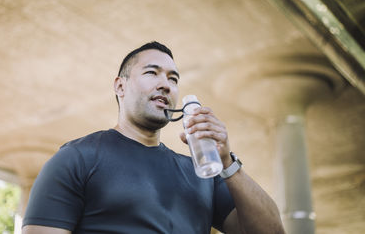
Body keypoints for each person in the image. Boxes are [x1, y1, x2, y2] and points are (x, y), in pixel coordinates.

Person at [22, 41, 285, 234]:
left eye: (173, 78)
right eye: (152, 72)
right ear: (120, 86)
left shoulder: (202, 174)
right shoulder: (77, 157)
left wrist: (228, 162)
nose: (166, 84)